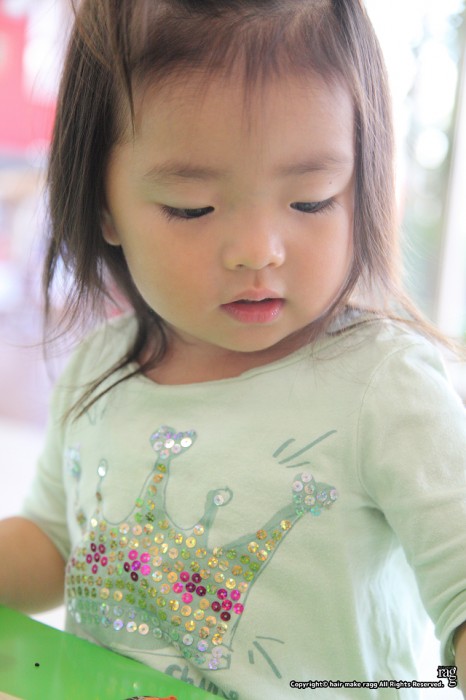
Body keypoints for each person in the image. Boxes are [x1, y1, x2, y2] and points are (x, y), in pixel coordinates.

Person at [0, 0, 465, 697]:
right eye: (193, 208)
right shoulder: (101, 366)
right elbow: (56, 541)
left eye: (311, 200)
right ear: (103, 206)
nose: (258, 251)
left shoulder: (383, 385)